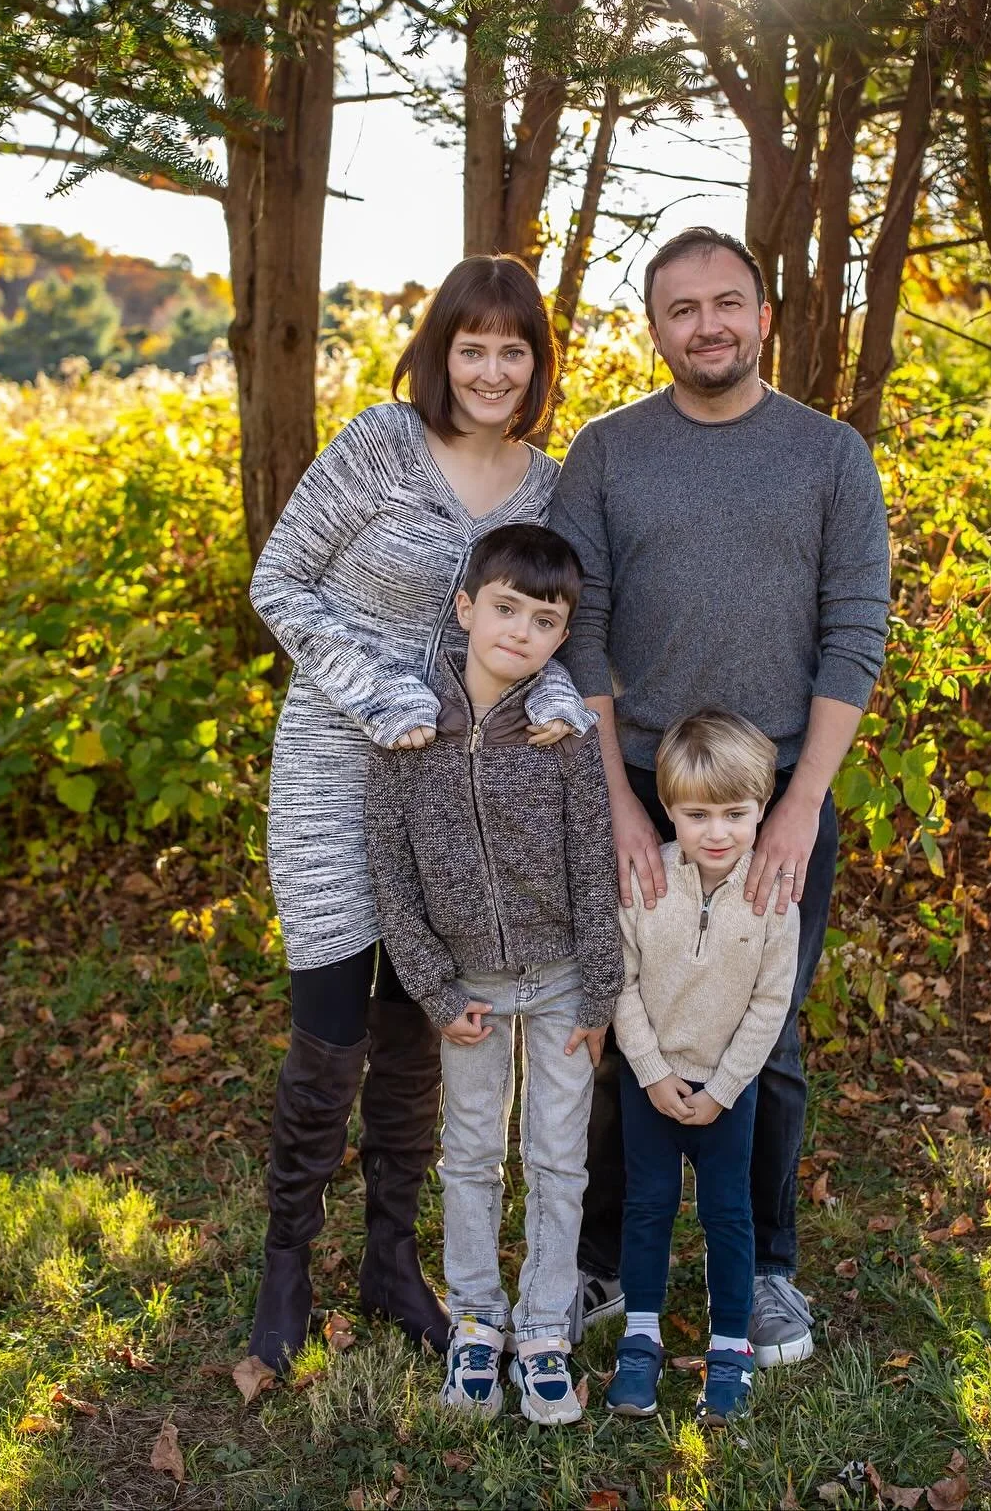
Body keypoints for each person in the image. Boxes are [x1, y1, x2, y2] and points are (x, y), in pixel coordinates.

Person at [550, 226, 891, 1365]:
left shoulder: (830, 455)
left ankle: (773, 1273)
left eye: (727, 302)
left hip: (778, 789)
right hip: (641, 781)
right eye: (682, 308)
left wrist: (798, 808)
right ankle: (602, 1262)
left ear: (763, 314)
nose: (708, 324)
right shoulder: (605, 453)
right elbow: (580, 632)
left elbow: (855, 636)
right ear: (654, 328)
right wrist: (617, 805)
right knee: (616, 1017)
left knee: (771, 1033)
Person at [245, 256, 589, 1372]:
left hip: (459, 797)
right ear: (441, 353)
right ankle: (286, 1265)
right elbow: (279, 582)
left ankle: (391, 1261)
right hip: (336, 773)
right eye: (472, 346)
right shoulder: (378, 446)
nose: (493, 369)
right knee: (333, 1027)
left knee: (415, 1028)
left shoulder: (546, 485)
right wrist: (380, 686)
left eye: (514, 349)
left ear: (537, 363)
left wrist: (559, 701)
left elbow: (541, 621)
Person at [364, 524, 621, 1425]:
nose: (519, 631)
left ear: (561, 636)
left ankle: (545, 1327)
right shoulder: (407, 730)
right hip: (466, 986)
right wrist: (435, 990)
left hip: (559, 983)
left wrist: (601, 993)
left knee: (557, 1157)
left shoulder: (565, 737)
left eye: (543, 620)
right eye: (504, 609)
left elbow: (596, 865)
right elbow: (389, 874)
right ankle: (477, 1321)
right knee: (469, 1154)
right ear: (468, 608)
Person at [605, 710, 798, 1426]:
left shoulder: (774, 896)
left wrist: (722, 1088)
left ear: (762, 810)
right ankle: (641, 1336)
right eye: (696, 815)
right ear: (669, 811)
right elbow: (619, 983)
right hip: (649, 1080)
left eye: (734, 814)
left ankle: (729, 1347)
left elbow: (770, 1004)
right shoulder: (644, 883)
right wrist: (652, 1071)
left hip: (728, 1088)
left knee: (728, 1214)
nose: (716, 832)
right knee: (648, 1206)